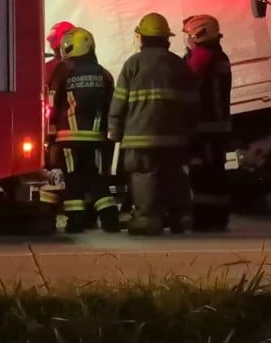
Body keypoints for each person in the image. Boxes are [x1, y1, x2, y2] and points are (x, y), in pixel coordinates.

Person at [107, 12, 197, 236]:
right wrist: (190, 132)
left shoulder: (132, 65)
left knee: (144, 175)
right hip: (175, 138)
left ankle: (148, 218)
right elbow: (193, 103)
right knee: (175, 174)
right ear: (167, 38)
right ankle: (181, 216)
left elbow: (119, 102)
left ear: (141, 37)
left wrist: (114, 131)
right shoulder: (179, 65)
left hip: (140, 138)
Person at [50, 27, 122, 233]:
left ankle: (76, 222)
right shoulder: (104, 74)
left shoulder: (62, 71)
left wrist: (50, 132)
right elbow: (112, 105)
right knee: (97, 179)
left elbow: (51, 104)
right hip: (97, 138)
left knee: (73, 178)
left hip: (68, 138)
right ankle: (110, 220)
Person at [181, 14, 234, 232]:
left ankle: (204, 219)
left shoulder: (202, 56)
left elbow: (186, 83)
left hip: (204, 127)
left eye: (189, 36)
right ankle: (219, 217)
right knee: (216, 171)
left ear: (198, 34)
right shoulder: (219, 56)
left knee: (202, 173)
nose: (188, 41)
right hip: (218, 125)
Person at [39, 20, 76, 215]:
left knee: (53, 170)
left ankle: (48, 210)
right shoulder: (76, 68)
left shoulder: (48, 68)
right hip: (71, 131)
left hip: (52, 132)